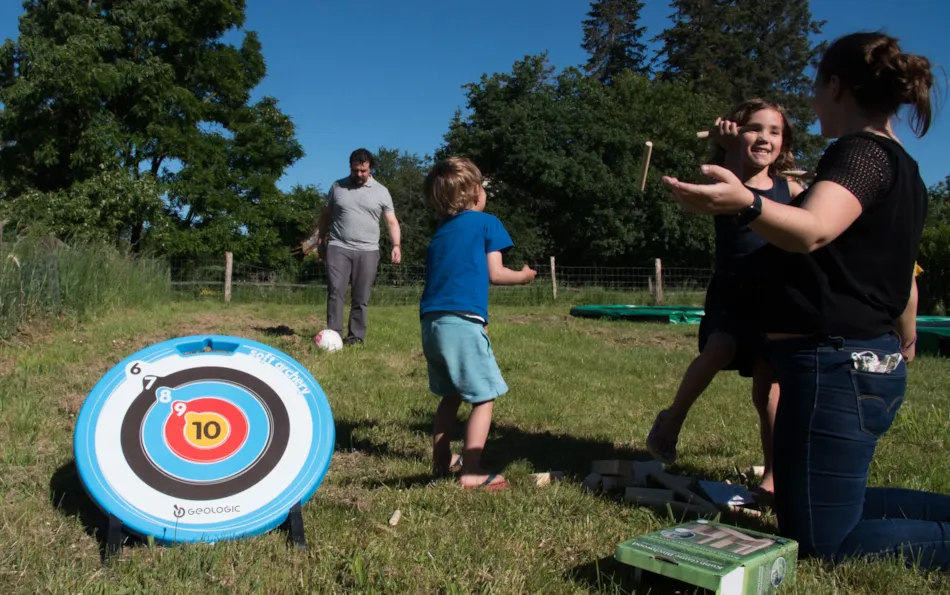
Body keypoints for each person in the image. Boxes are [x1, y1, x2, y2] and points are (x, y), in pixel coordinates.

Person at [662, 32, 947, 569]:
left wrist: (743, 201)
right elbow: (901, 274)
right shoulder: (904, 166)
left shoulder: (861, 152)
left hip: (837, 367)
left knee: (823, 540)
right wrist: (906, 333)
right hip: (854, 363)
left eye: (816, 88)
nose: (812, 101)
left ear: (835, 86)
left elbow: (812, 230)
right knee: (816, 507)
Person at [647, 99, 805, 497]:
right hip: (733, 291)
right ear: (736, 133)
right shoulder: (729, 178)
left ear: (784, 142)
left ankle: (772, 475)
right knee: (718, 347)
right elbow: (731, 187)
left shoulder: (794, 188)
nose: (764, 138)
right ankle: (672, 419)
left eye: (774, 131)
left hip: (776, 297)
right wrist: (730, 148)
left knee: (769, 390)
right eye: (754, 128)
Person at [419, 156, 536, 490]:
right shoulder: (487, 223)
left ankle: (442, 462)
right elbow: (496, 274)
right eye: (481, 186)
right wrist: (525, 276)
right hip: (461, 323)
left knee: (449, 396)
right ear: (473, 193)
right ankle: (471, 473)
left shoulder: (439, 234)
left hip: (432, 323)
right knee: (483, 398)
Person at [313, 148, 402, 346]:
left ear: (370, 169)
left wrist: (396, 245)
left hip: (368, 249)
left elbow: (392, 221)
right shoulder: (337, 187)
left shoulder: (381, 191)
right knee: (336, 291)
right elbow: (326, 215)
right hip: (338, 246)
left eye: (364, 171)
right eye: (355, 171)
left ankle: (355, 337)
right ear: (350, 167)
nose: (359, 175)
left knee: (361, 296)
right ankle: (333, 337)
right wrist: (320, 238)